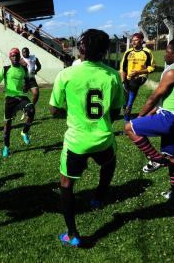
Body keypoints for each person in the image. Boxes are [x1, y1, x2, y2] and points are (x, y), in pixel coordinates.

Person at [49, 29, 124, 247]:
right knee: (109, 163)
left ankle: (72, 233)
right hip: (103, 139)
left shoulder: (66, 74)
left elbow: (53, 110)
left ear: (81, 48)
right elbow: (116, 112)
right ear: (104, 51)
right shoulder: (112, 75)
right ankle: (99, 197)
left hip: (76, 142)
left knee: (65, 184)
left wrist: (72, 113)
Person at [124, 38, 174, 200]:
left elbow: (154, 97)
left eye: (167, 52)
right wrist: (153, 112)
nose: (164, 55)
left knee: (130, 128)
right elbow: (171, 98)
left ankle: (155, 159)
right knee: (171, 156)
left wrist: (140, 116)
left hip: (173, 119)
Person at [0, 48, 36, 157]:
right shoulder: (6, 69)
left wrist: (26, 86)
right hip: (10, 99)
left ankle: (24, 132)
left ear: (19, 57)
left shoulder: (24, 69)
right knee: (7, 125)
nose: (15, 57)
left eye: (17, 55)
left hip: (22, 97)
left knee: (31, 109)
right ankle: (6, 147)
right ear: (10, 57)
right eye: (13, 56)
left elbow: (27, 83)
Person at [120, 33, 155, 121]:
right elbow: (123, 68)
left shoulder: (147, 52)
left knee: (134, 82)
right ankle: (126, 119)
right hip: (129, 77)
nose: (133, 42)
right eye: (132, 40)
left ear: (141, 40)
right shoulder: (128, 52)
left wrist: (139, 72)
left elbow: (152, 67)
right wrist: (123, 82)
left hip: (141, 76)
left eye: (136, 40)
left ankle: (130, 105)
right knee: (125, 99)